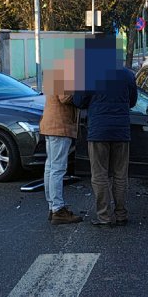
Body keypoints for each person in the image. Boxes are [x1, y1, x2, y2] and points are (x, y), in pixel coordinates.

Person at [73, 57, 138, 227]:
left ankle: (104, 216)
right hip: (121, 131)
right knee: (120, 175)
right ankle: (121, 214)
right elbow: (133, 102)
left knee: (99, 175)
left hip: (98, 132)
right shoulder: (128, 75)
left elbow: (78, 101)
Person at [41, 54, 83, 225]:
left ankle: (53, 206)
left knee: (51, 167)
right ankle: (58, 209)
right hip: (60, 126)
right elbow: (65, 97)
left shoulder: (53, 72)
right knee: (57, 168)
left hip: (51, 125)